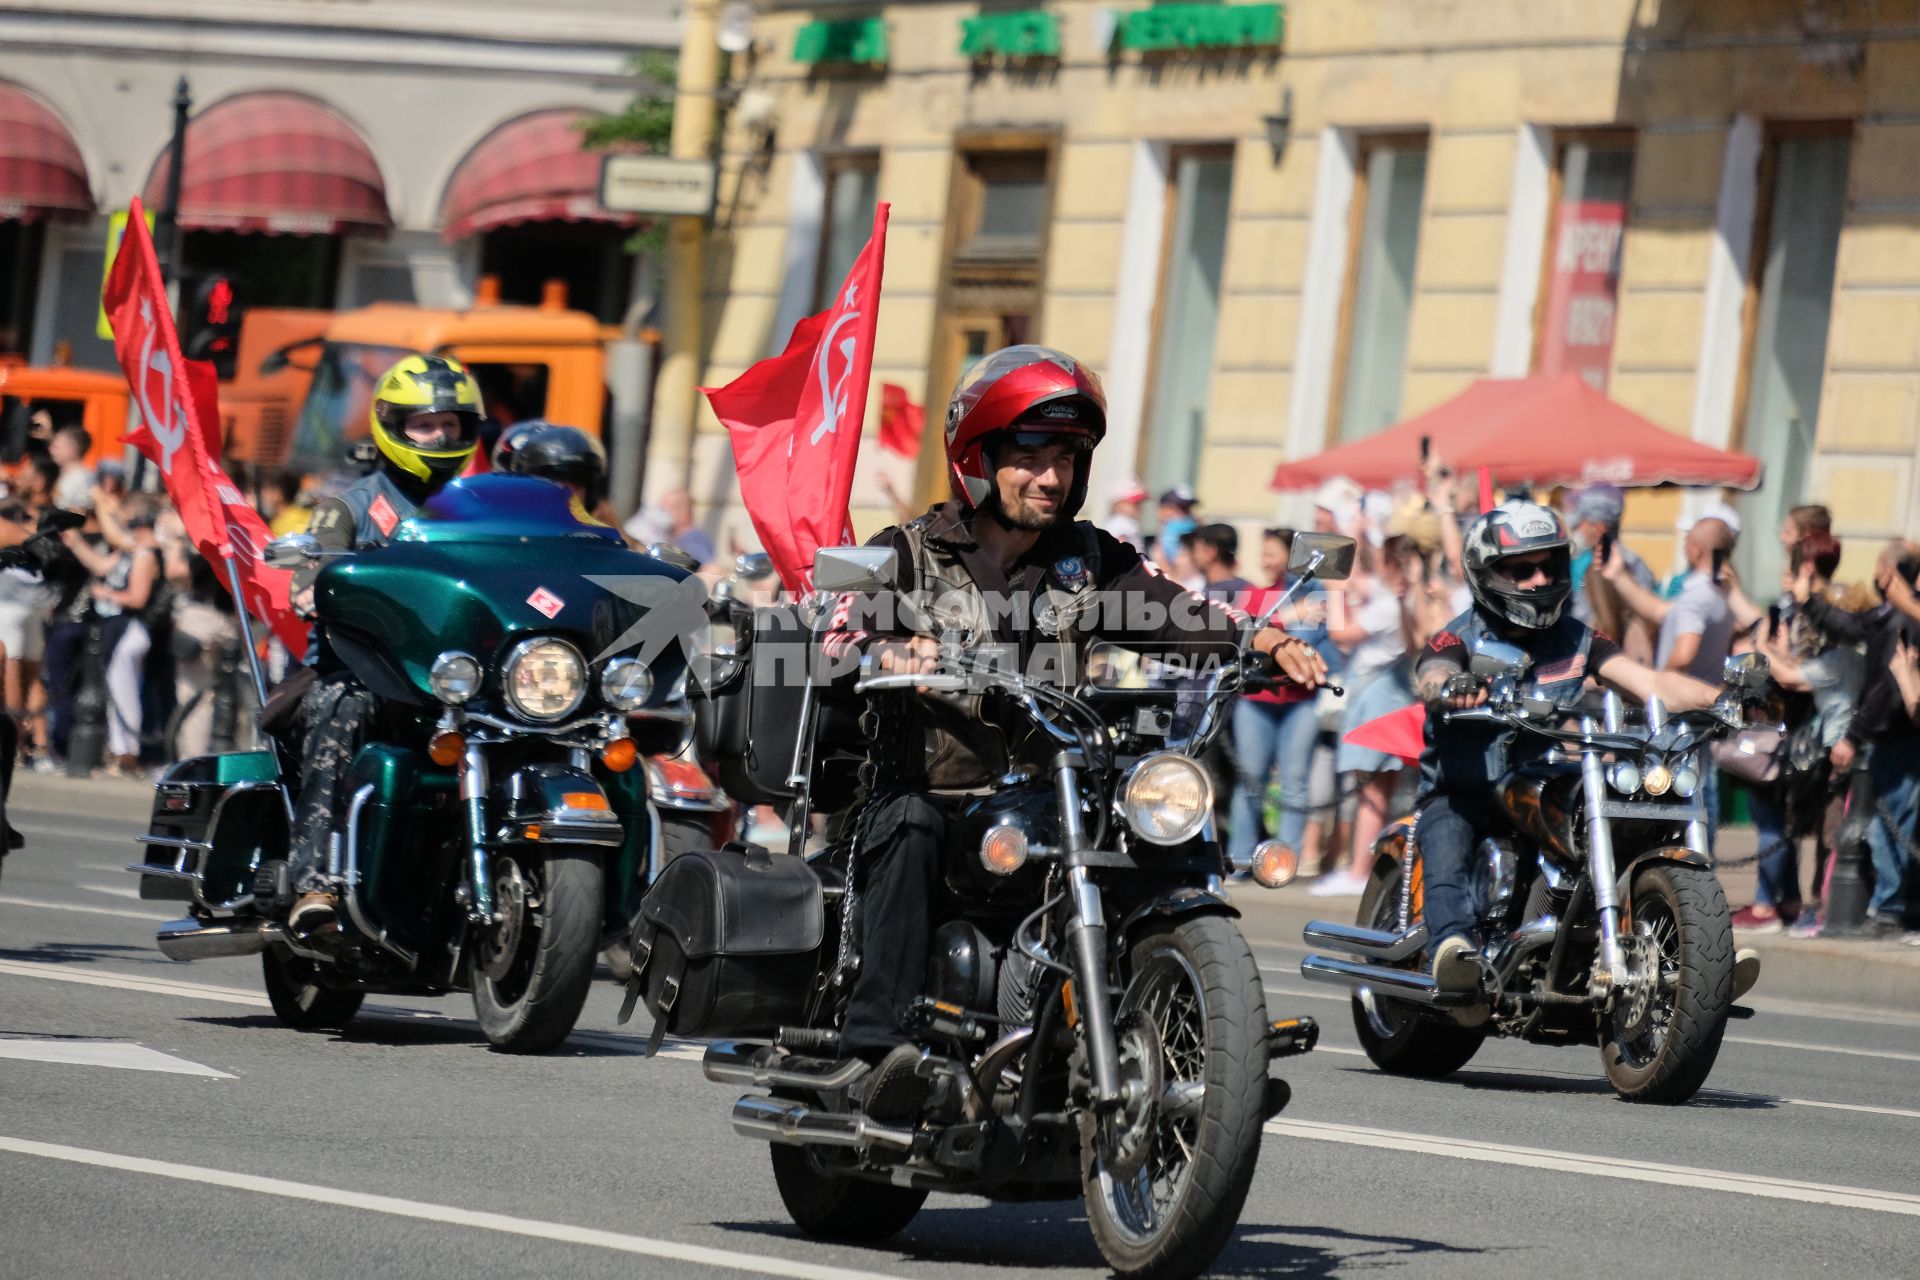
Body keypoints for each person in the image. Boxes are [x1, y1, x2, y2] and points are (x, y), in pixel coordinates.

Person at [820, 345, 1327, 1115]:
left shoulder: (1088, 562)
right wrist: (892, 644)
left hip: (1040, 792)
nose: (1050, 476)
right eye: (1028, 455)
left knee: (1145, 836)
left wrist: (1264, 644)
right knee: (913, 824)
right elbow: (843, 626)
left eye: (1065, 456)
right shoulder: (909, 553)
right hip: (929, 789)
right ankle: (876, 1051)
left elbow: (1174, 613)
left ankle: (1190, 1037)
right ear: (980, 457)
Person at [1413, 501, 1723, 996]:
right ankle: (1451, 949)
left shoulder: (1578, 639)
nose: (1539, 579)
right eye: (1521, 569)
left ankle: (1688, 955)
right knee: (1448, 835)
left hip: (1541, 783)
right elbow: (1433, 671)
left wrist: (1723, 700)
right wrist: (1451, 686)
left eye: (1549, 566)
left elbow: (1651, 683)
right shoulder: (1461, 635)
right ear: (1486, 574)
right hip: (1466, 789)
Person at [282, 354, 484, 930]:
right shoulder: (346, 506)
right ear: (393, 426)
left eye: (452, 424)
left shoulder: (481, 510)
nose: (441, 435)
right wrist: (328, 580)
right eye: (426, 424)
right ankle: (314, 883)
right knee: (339, 708)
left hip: (459, 683)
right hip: (368, 671)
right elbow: (307, 585)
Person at [1799, 541, 1920, 935]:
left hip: (1899, 739)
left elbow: (1886, 690)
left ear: (1888, 573)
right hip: (1892, 739)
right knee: (1890, 822)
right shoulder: (1891, 615)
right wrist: (1810, 601)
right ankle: (1895, 903)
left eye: (1880, 569)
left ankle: (1889, 908)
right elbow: (1849, 626)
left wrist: (1853, 736)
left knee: (1891, 823)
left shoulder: (1904, 621)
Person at [1566, 484, 1656, 661]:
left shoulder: (1589, 564)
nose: (1577, 530)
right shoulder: (1638, 563)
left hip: (1599, 659)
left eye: (1580, 523)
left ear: (1598, 527)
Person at [1105, 477, 1148, 552]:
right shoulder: (1121, 523)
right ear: (1118, 505)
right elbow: (1119, 548)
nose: (1138, 507)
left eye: (1140, 503)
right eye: (1135, 503)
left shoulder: (1124, 522)